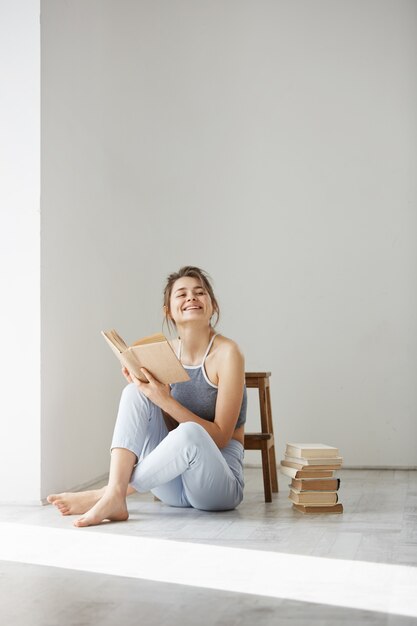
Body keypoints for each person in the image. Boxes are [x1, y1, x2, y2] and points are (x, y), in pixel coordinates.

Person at [47, 266, 247, 527]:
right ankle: (114, 493)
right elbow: (166, 427)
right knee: (134, 392)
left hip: (217, 486)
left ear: (213, 306)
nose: (191, 298)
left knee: (190, 432)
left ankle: (108, 494)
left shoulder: (228, 353)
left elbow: (220, 437)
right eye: (182, 294)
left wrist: (165, 399)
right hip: (172, 488)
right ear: (169, 310)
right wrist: (148, 392)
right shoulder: (162, 353)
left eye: (200, 292)